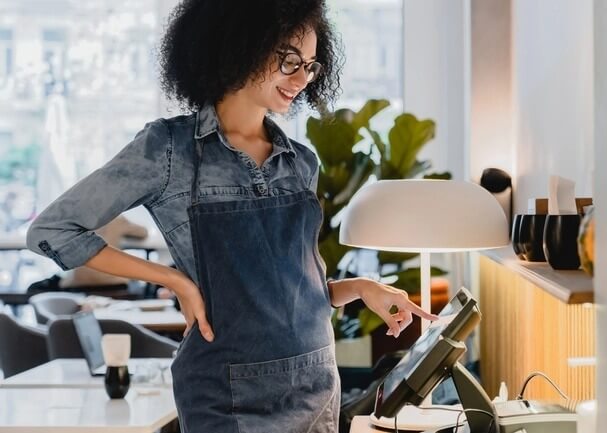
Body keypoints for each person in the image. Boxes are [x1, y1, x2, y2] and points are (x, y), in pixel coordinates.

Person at [25, 1, 437, 432]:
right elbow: (53, 230)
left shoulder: (301, 164)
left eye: (311, 66)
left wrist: (360, 288)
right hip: (227, 400)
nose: (300, 79)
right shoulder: (170, 151)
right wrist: (175, 280)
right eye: (289, 60)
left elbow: (286, 290)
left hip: (317, 388)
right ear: (239, 45)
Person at [26, 215, 148, 297]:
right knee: (140, 286)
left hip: (76, 284)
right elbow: (143, 233)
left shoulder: (74, 220)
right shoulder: (116, 219)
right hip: (113, 283)